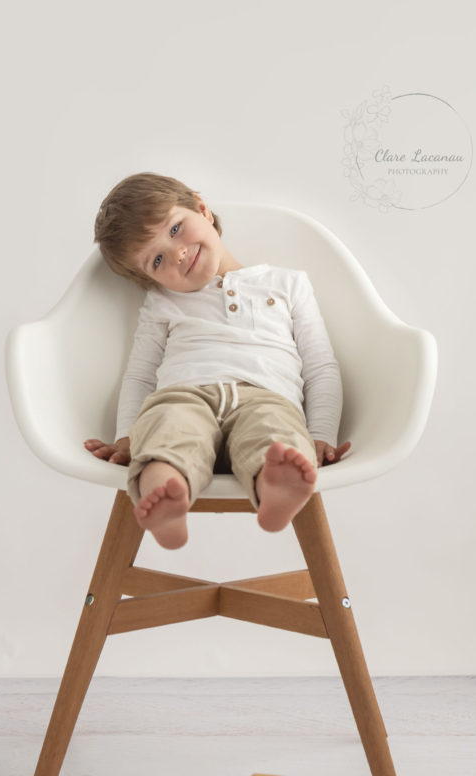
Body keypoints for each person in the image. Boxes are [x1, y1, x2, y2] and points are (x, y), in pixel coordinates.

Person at [85, 173, 350, 549]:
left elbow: (320, 365)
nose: (176, 253)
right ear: (149, 280)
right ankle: (165, 494)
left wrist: (322, 434)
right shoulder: (162, 303)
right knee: (168, 429)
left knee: (277, 434)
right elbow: (141, 375)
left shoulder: (288, 284)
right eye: (157, 259)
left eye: (175, 228)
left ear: (203, 209)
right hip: (185, 397)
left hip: (267, 397)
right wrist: (127, 436)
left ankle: (277, 488)